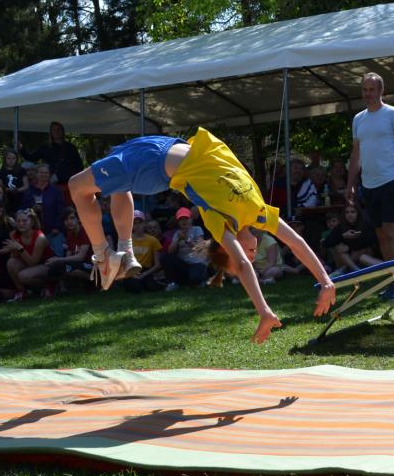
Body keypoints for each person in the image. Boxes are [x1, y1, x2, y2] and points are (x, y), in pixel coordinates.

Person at [68, 129, 334, 343]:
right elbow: (295, 242)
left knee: (77, 187)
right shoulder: (259, 213)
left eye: (247, 256)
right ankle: (125, 252)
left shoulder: (219, 221)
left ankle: (103, 256)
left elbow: (241, 264)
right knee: (118, 184)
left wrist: (263, 311)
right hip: (167, 145)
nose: (251, 257)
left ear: (227, 248)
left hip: (154, 164)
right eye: (253, 256)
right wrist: (325, 281)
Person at [347, 73, 394, 300]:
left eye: (372, 89)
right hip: (369, 185)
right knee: (380, 235)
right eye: (364, 90)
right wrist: (350, 184)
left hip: (392, 180)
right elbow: (355, 154)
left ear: (381, 91)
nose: (368, 94)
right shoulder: (358, 119)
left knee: (391, 231)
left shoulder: (393, 114)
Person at [3, 207, 55, 301]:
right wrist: (13, 250)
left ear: (31, 222)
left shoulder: (40, 237)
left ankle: (49, 285)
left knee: (23, 276)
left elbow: (33, 262)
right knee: (11, 263)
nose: (21, 224)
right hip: (29, 263)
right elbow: (14, 257)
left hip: (46, 264)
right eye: (18, 221)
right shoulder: (14, 234)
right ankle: (22, 292)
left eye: (24, 221)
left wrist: (20, 248)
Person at [43, 207, 93, 291]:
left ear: (78, 219)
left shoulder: (84, 231)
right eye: (66, 220)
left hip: (92, 264)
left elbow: (81, 257)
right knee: (59, 267)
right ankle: (58, 288)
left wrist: (58, 259)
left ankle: (95, 281)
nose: (69, 222)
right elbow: (68, 256)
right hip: (80, 263)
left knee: (65, 267)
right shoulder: (70, 234)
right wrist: (57, 261)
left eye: (72, 218)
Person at [20, 121, 84, 185]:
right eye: (54, 130)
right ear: (51, 132)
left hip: (67, 183)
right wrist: (21, 149)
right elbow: (31, 158)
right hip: (49, 182)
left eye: (59, 129)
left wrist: (67, 174)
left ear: (63, 131)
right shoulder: (45, 147)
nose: (56, 132)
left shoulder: (70, 147)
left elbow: (79, 166)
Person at [325, 203, 381, 274]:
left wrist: (349, 247)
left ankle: (344, 269)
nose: (350, 214)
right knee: (338, 246)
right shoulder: (341, 226)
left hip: (366, 255)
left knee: (363, 254)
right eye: (347, 212)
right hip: (350, 258)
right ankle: (356, 270)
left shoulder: (365, 224)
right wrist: (343, 236)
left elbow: (370, 241)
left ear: (357, 213)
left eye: (352, 212)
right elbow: (326, 243)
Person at [163, 207, 211, 290]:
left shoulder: (197, 229)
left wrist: (186, 239)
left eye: (186, 218)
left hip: (197, 263)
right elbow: (170, 252)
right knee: (166, 258)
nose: (184, 221)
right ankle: (173, 282)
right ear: (178, 222)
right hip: (184, 264)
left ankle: (202, 278)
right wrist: (177, 240)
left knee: (194, 278)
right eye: (181, 219)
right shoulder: (177, 233)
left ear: (191, 219)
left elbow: (200, 248)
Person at [123, 211, 165, 293]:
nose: (138, 225)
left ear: (144, 224)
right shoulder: (126, 240)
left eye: (140, 223)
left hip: (146, 270)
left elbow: (157, 264)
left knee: (152, 287)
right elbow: (123, 261)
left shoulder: (153, 240)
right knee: (136, 288)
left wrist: (144, 274)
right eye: (135, 223)